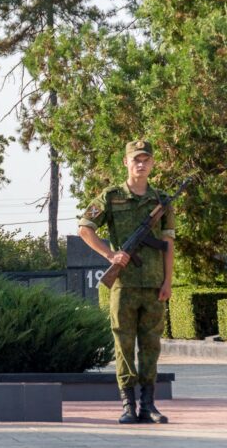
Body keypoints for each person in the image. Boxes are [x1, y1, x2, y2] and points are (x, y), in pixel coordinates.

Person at [78, 140, 174, 425]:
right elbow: (85, 227)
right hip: (123, 284)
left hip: (154, 284)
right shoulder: (111, 197)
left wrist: (168, 281)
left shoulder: (163, 200)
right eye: (136, 159)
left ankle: (148, 405)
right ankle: (128, 404)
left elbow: (168, 244)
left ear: (153, 164)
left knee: (151, 346)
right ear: (126, 162)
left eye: (146, 159)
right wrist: (110, 254)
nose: (141, 164)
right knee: (123, 345)